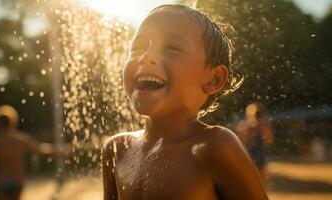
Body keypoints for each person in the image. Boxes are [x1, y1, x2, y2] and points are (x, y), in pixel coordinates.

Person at [102, 4, 268, 200]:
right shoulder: (117, 149)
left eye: (172, 48)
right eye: (137, 47)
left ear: (213, 80)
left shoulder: (214, 147)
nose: (146, 57)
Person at [0, 105, 60, 200]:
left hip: (2, 180)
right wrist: (61, 152)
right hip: (17, 180)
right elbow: (41, 150)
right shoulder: (22, 140)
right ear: (13, 121)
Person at [236, 103, 274, 186]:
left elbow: (269, 141)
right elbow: (241, 143)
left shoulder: (263, 126)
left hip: (258, 156)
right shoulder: (244, 126)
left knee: (261, 182)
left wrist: (262, 128)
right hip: (250, 156)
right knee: (250, 182)